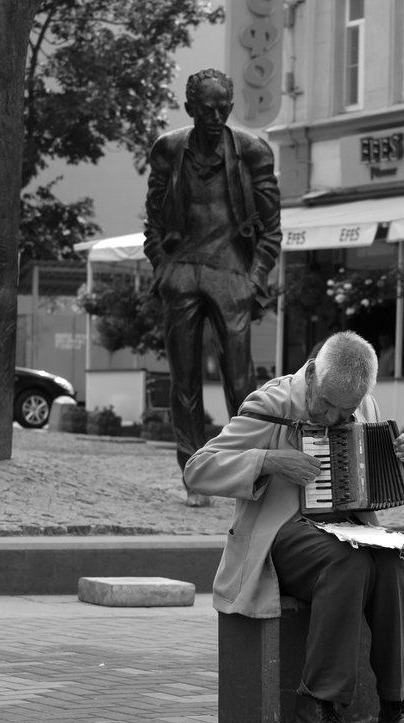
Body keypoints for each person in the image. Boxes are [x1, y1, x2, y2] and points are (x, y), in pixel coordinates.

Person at [184, 331, 404, 723]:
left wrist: (398, 461)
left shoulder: (362, 405)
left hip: (346, 529)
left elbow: (369, 485)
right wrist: (268, 460)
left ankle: (396, 704)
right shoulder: (271, 405)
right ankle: (317, 707)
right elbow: (198, 469)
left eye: (343, 409)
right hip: (280, 534)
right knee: (347, 563)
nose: (332, 416)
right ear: (312, 372)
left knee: (392, 562)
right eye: (326, 404)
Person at [144, 68, 282, 506]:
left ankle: (247, 472)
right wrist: (162, 267)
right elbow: (153, 218)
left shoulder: (253, 151)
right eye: (207, 108)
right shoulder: (168, 149)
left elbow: (272, 230)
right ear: (189, 109)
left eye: (224, 107)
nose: (216, 115)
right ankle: (194, 476)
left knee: (240, 383)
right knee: (183, 381)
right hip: (182, 270)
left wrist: (253, 279)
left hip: (231, 274)